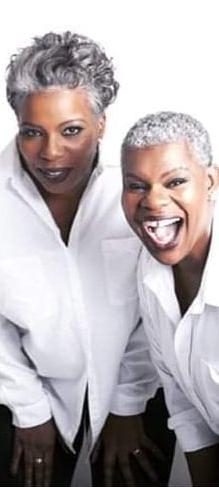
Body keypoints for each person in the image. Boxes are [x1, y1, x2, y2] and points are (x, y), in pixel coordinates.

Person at [0, 31, 175, 486]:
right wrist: (28, 410)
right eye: (32, 132)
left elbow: (161, 296)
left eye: (72, 131)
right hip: (26, 394)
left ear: (101, 124)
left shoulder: (139, 186)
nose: (51, 152)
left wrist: (128, 401)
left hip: (139, 390)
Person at [121, 111, 219, 486]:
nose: (153, 201)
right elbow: (187, 408)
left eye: (175, 181)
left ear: (210, 181)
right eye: (136, 185)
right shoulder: (151, 271)